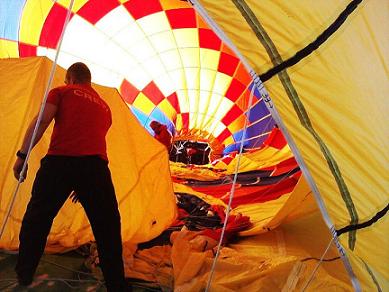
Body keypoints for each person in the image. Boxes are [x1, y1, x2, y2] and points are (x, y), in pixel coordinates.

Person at [13, 62, 127, 291]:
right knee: (108, 227)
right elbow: (91, 140)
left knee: (37, 219)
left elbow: (41, 121)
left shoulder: (62, 91)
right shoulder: (105, 108)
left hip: (59, 163)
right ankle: (117, 285)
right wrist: (83, 183)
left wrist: (22, 155)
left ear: (71, 79)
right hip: (96, 168)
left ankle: (24, 274)